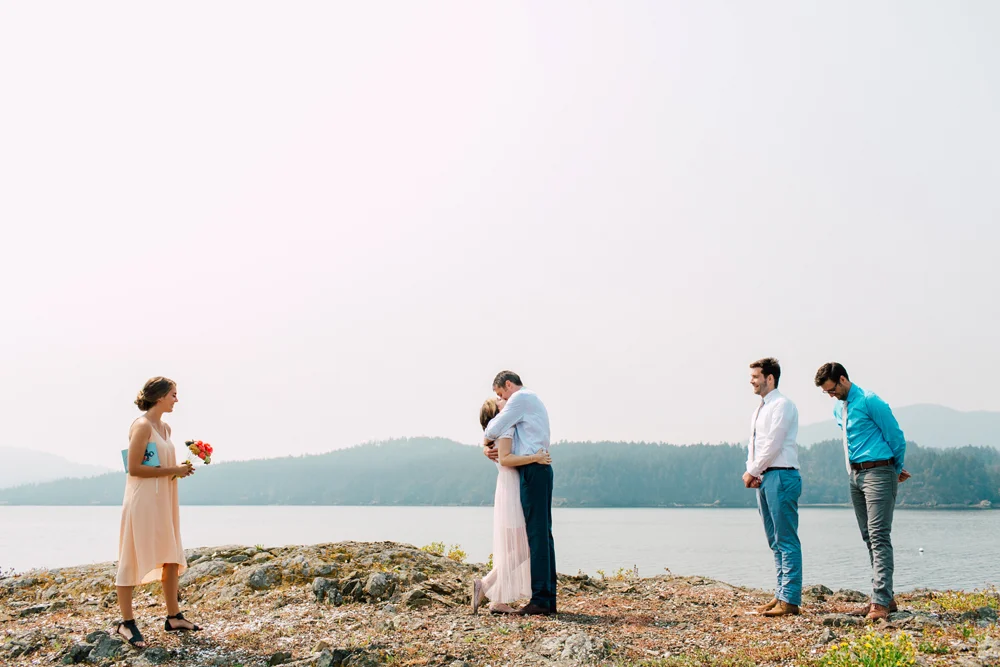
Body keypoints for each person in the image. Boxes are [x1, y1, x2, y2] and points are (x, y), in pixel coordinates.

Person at [814, 362, 911, 620]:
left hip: (879, 471)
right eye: (826, 392)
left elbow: (896, 436)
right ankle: (886, 597)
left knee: (879, 535)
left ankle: (879, 602)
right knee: (869, 536)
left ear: (843, 379)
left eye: (832, 389)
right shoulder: (839, 408)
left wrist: (894, 469)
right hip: (855, 475)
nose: (831, 395)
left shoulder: (870, 401)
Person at [115, 377, 201, 649]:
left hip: (164, 498)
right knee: (131, 555)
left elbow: (157, 464)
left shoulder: (165, 428)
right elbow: (134, 468)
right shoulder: (142, 426)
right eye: (173, 394)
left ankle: (174, 617)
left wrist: (179, 470)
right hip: (143, 500)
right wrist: (174, 470)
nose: (177, 399)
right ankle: (126, 623)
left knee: (171, 554)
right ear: (160, 396)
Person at [482, 371, 556, 615]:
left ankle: (541, 600)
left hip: (534, 469)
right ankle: (546, 598)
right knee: (542, 535)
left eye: (500, 393)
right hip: (538, 468)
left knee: (537, 535)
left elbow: (492, 429)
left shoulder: (519, 398)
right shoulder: (530, 399)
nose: (501, 399)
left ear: (508, 384)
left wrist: (485, 445)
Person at [742, 358, 802, 617]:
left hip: (782, 475)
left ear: (770, 378)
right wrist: (754, 471)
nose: (752, 381)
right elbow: (754, 445)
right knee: (774, 540)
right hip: (766, 477)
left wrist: (753, 471)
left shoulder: (783, 405)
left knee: (786, 539)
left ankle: (790, 600)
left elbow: (774, 444)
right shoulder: (759, 410)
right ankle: (780, 594)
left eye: (756, 376)